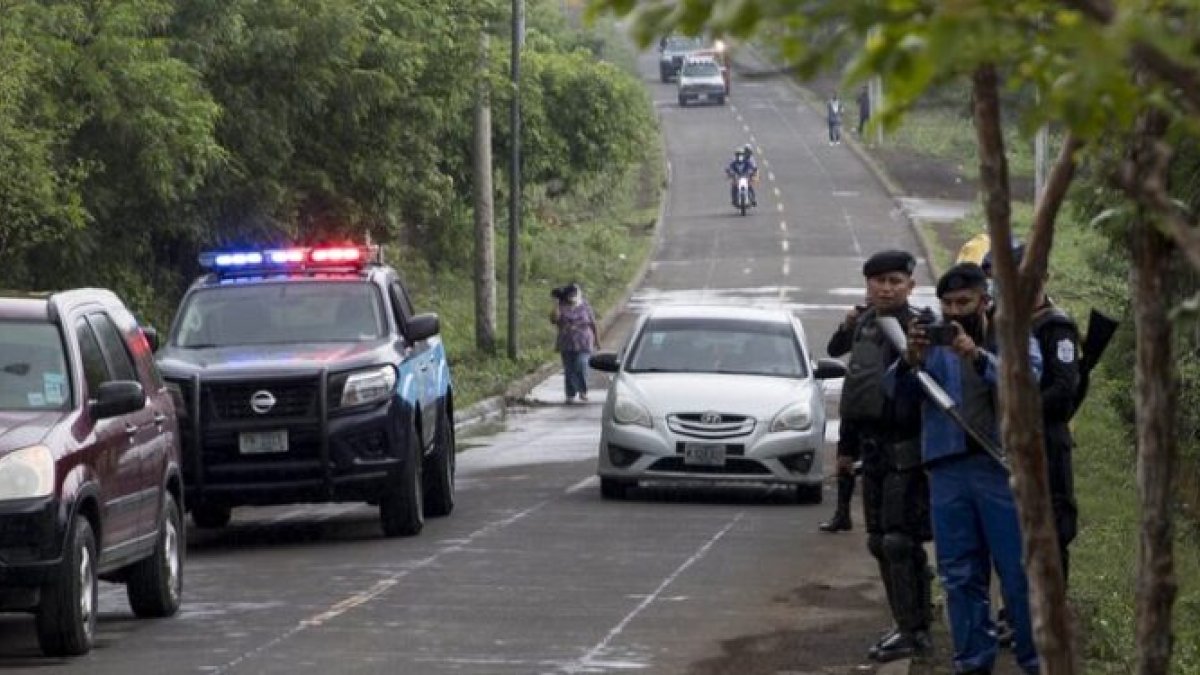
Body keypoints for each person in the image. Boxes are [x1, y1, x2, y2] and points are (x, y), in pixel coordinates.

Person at [887, 262, 1042, 675]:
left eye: (964, 302)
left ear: (985, 300)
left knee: (1018, 574)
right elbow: (897, 398)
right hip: (948, 469)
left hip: (1000, 469)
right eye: (948, 304)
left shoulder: (1011, 335)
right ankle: (972, 663)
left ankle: (1035, 662)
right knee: (959, 575)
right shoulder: (931, 339)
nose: (955, 313)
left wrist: (978, 357)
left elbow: (1031, 382)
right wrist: (910, 361)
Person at [824, 250, 932, 662]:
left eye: (894, 281)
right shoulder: (865, 324)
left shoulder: (920, 327)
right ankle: (905, 623)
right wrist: (846, 450)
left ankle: (915, 629)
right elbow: (857, 387)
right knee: (877, 542)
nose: (886, 288)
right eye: (878, 281)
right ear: (867, 284)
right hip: (871, 446)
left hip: (909, 447)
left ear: (910, 285)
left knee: (900, 541)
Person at [982, 244, 1081, 583]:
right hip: (1002, 444)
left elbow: (1063, 390)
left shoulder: (1055, 327)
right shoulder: (996, 321)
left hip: (1045, 442)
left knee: (1050, 531)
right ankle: (1017, 614)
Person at [550, 283, 599, 404]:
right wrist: (557, 303)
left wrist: (597, 340)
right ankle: (570, 394)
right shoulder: (561, 306)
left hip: (584, 341)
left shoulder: (585, 305)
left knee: (581, 365)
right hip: (567, 343)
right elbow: (554, 320)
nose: (572, 297)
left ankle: (583, 391)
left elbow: (593, 323)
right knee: (569, 369)